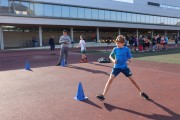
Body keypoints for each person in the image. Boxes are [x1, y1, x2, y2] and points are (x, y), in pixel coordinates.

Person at [96, 35, 149, 101]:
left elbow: (131, 58)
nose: (117, 44)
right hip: (117, 67)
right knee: (110, 79)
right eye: (116, 43)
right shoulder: (115, 49)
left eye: (118, 43)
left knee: (133, 81)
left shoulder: (126, 49)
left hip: (125, 68)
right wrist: (113, 60)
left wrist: (129, 61)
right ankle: (103, 96)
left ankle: (141, 92)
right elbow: (110, 56)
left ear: (123, 43)